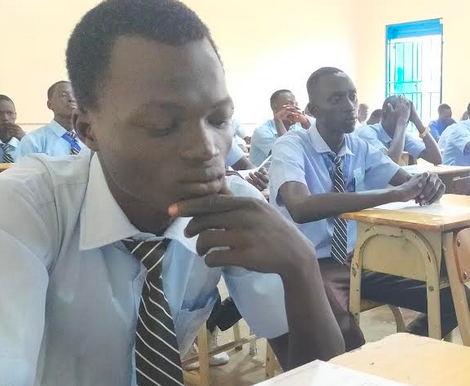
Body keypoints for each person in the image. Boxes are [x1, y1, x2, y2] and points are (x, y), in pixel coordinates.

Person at [0, 2, 345, 385]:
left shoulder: (234, 210)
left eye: (219, 119)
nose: (208, 149)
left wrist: (300, 266)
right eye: (163, 125)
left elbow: (322, 376)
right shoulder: (25, 209)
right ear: (88, 131)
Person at [268, 67, 469, 353]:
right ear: (313, 109)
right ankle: (364, 369)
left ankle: (395, 356)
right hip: (311, 264)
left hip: (360, 257)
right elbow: (299, 207)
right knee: (343, 333)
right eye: (336, 99)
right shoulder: (290, 146)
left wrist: (427, 182)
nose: (350, 106)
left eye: (352, 96)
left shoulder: (359, 146)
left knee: (455, 300)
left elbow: (406, 182)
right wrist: (394, 193)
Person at [357, 95, 442, 165]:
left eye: (407, 117)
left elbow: (437, 159)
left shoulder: (403, 136)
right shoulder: (367, 133)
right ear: (384, 113)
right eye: (399, 115)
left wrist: (417, 120)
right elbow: (389, 165)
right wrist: (401, 121)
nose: (406, 122)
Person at [16, 81, 83, 158]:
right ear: (50, 105)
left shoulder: (89, 139)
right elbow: (25, 169)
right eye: (63, 95)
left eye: (75, 95)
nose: (72, 99)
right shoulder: (33, 141)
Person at [249, 89, 311, 166]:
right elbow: (287, 153)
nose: (294, 108)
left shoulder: (297, 127)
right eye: (289, 104)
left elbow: (314, 149)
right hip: (263, 176)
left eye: (296, 104)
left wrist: (306, 123)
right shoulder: (262, 132)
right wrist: (278, 120)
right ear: (274, 107)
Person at [0, 95, 24, 163]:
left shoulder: (29, 140)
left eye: (9, 113)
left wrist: (25, 140)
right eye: (0, 113)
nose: (5, 118)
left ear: (15, 115)